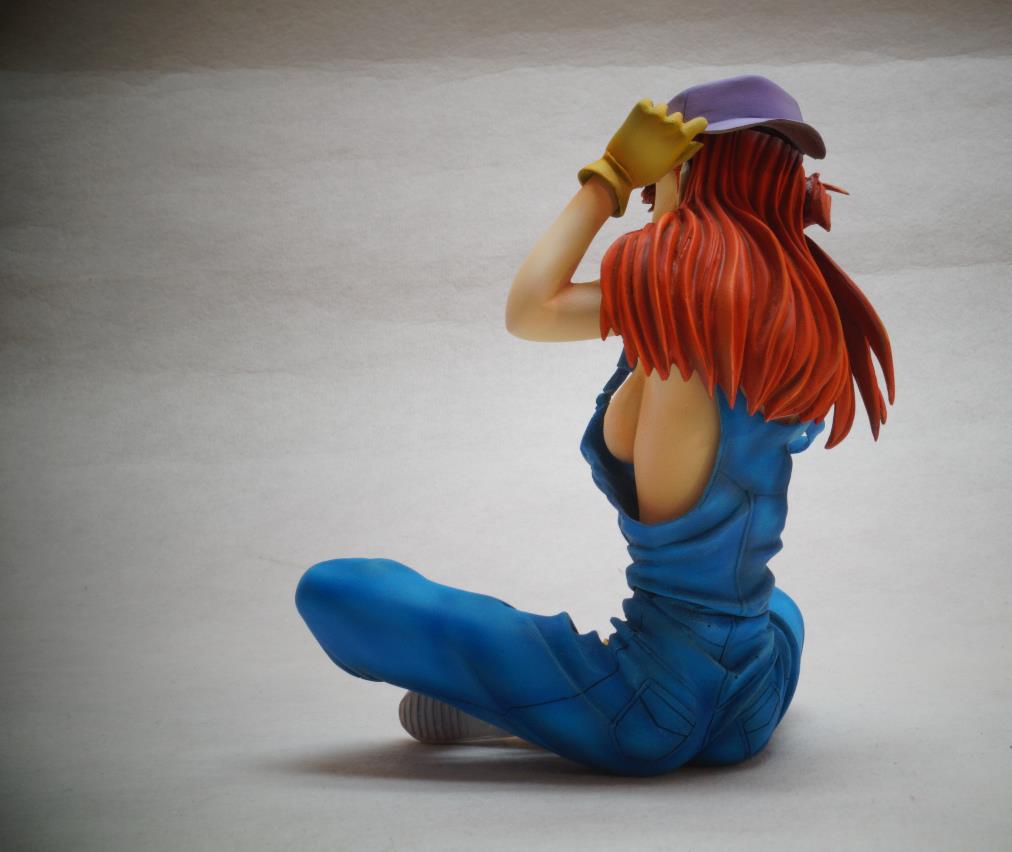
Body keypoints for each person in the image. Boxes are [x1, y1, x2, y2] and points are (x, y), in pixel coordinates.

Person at [295, 74, 895, 776]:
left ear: (684, 174)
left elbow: (531, 309)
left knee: (334, 589)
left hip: (648, 715)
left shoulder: (675, 294)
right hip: (753, 700)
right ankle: (528, 704)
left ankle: (518, 706)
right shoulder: (795, 307)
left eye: (656, 184)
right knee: (778, 608)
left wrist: (608, 176)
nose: (650, 202)